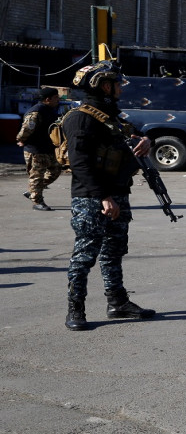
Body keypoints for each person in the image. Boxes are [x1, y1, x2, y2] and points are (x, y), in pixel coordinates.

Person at [63, 62, 156, 331]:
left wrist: (147, 140)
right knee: (84, 255)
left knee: (113, 251)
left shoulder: (111, 116)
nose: (120, 89)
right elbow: (79, 164)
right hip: (92, 198)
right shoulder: (81, 117)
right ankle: (75, 308)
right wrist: (104, 197)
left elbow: (136, 135)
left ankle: (117, 302)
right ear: (104, 86)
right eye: (117, 84)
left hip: (117, 194)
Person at [15, 87, 63, 211]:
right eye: (56, 98)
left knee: (55, 170)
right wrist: (21, 139)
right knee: (36, 176)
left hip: (47, 148)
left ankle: (32, 191)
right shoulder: (36, 112)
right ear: (48, 99)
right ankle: (37, 201)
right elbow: (27, 128)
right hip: (35, 150)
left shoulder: (50, 110)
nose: (58, 100)